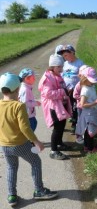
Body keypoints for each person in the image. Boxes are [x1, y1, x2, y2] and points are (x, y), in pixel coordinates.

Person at [0, 72, 58, 207]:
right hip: (19, 143)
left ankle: (12, 195)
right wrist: (36, 141)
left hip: (4, 145)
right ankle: (39, 190)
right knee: (36, 162)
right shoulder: (18, 106)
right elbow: (25, 128)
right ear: (17, 89)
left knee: (11, 167)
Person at [38, 54, 72, 160]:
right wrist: (63, 91)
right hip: (54, 107)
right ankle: (53, 151)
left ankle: (59, 143)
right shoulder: (47, 78)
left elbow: (61, 86)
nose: (61, 69)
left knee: (62, 125)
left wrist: (66, 91)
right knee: (57, 128)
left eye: (62, 67)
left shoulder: (56, 74)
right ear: (52, 66)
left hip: (60, 105)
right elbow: (48, 93)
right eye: (59, 67)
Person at [55, 44, 84, 133]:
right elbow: (62, 75)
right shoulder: (65, 64)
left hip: (76, 91)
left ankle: (76, 124)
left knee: (75, 107)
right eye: (63, 56)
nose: (65, 58)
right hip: (66, 90)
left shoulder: (80, 63)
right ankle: (71, 119)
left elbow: (83, 78)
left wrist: (76, 88)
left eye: (66, 55)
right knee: (69, 106)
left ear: (72, 53)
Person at [75, 67, 97, 153]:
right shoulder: (85, 90)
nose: (93, 82)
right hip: (88, 114)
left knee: (87, 131)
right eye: (91, 80)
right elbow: (82, 104)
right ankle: (90, 148)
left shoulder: (91, 86)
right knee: (90, 131)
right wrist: (94, 103)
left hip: (92, 112)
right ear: (85, 79)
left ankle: (86, 146)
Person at [73, 64, 89, 144]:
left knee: (87, 120)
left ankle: (86, 134)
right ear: (80, 76)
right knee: (80, 121)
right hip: (80, 106)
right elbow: (74, 95)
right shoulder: (78, 85)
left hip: (88, 106)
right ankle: (78, 136)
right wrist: (82, 98)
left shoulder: (89, 85)